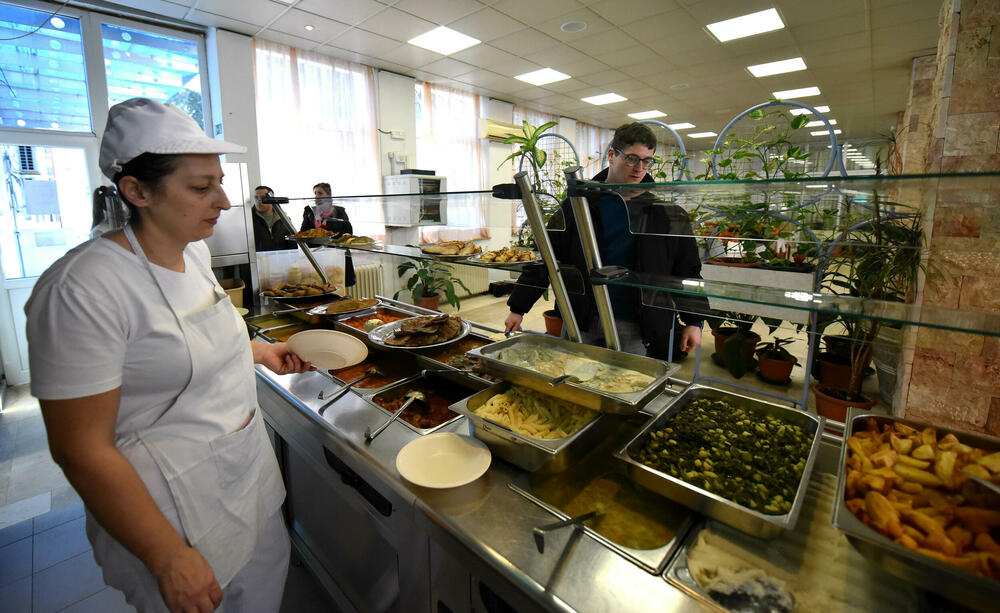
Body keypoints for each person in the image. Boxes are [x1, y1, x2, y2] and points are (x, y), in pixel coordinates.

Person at [25, 98, 314, 613]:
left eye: (219, 182)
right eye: (201, 188)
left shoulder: (193, 252)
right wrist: (165, 556)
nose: (224, 201)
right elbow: (80, 448)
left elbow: (184, 345)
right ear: (137, 191)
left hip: (244, 482)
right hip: (171, 515)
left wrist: (258, 351)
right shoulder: (82, 289)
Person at [504, 122, 706, 360]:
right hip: (581, 317)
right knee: (573, 375)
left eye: (647, 161)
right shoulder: (578, 205)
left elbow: (687, 270)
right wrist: (518, 307)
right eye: (631, 159)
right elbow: (546, 256)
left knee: (626, 379)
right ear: (612, 154)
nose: (639, 168)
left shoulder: (664, 214)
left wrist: (694, 320)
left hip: (634, 323)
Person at [251, 184, 296, 251]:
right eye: (256, 198)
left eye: (263, 197)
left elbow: (292, 244)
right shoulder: (249, 220)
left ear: (272, 199)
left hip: (282, 256)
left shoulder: (284, 219)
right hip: (259, 257)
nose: (259, 201)